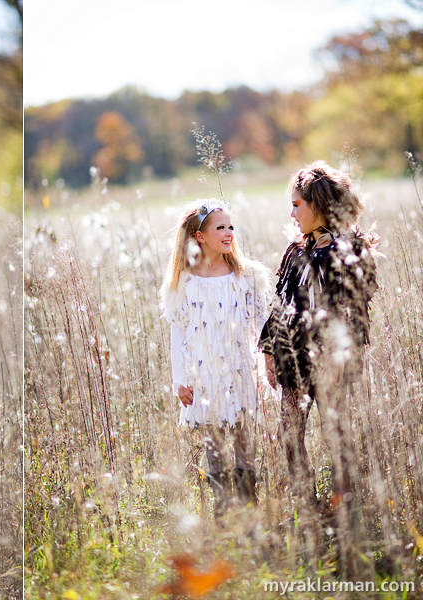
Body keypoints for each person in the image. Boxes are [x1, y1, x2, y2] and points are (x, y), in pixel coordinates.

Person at [259, 160, 378, 573]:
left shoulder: (349, 252)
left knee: (335, 434)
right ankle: (306, 513)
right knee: (289, 434)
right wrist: (269, 352)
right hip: (293, 358)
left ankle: (347, 519)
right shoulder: (296, 252)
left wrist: (338, 361)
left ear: (320, 205)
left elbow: (356, 315)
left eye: (297, 204)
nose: (291, 214)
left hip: (330, 363)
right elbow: (279, 304)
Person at [160, 199, 271, 515]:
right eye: (220, 227)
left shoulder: (245, 275)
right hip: (204, 376)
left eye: (231, 227)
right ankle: (223, 514)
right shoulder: (186, 281)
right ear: (200, 237)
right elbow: (178, 332)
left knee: (244, 443)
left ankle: (249, 510)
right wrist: (179, 380)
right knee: (213, 448)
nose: (229, 233)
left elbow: (261, 322)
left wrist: (268, 360)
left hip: (239, 372)